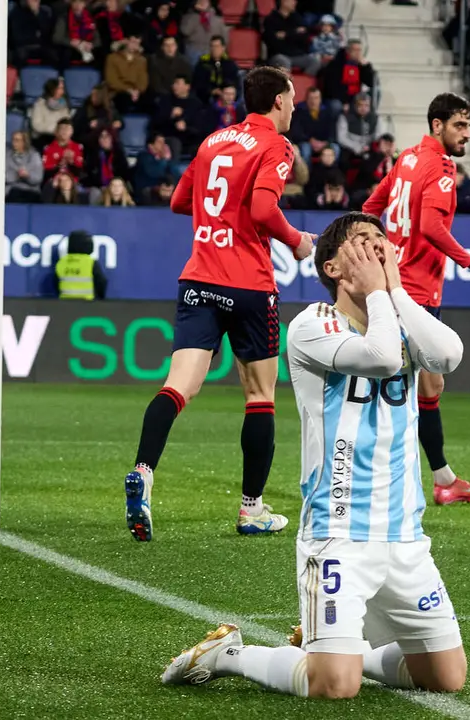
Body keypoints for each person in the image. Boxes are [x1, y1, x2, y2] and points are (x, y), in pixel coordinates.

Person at [160, 213, 468, 699]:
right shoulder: (313, 325)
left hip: (405, 536)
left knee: (446, 678)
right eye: (361, 242)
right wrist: (382, 293)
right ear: (333, 268)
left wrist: (394, 290)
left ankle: (338, 649)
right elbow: (383, 358)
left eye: (381, 240)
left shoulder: (399, 318)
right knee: (333, 686)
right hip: (339, 534)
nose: (377, 248)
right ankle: (229, 654)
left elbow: (448, 356)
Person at [122, 66, 316, 542]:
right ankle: (251, 510)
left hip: (199, 278)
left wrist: (218, 215)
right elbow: (263, 209)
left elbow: (179, 201)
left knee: (177, 387)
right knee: (260, 396)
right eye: (292, 98)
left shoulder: (213, 140)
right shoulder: (276, 146)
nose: (295, 106)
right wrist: (296, 241)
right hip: (248, 283)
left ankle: (143, 472)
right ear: (277, 101)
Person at [361, 93, 470, 506]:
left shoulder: (406, 158)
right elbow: (431, 226)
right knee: (396, 385)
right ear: (437, 125)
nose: (467, 134)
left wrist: (380, 249)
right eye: (459, 125)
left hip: (397, 285)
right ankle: (372, 482)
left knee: (429, 382)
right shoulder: (440, 167)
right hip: (415, 292)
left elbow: (371, 207)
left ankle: (443, 480)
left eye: (469, 125)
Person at [54, 229, 108, 300]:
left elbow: (56, 283)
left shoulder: (61, 262)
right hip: (87, 303)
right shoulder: (90, 262)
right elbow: (101, 282)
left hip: (65, 303)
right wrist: (100, 298)